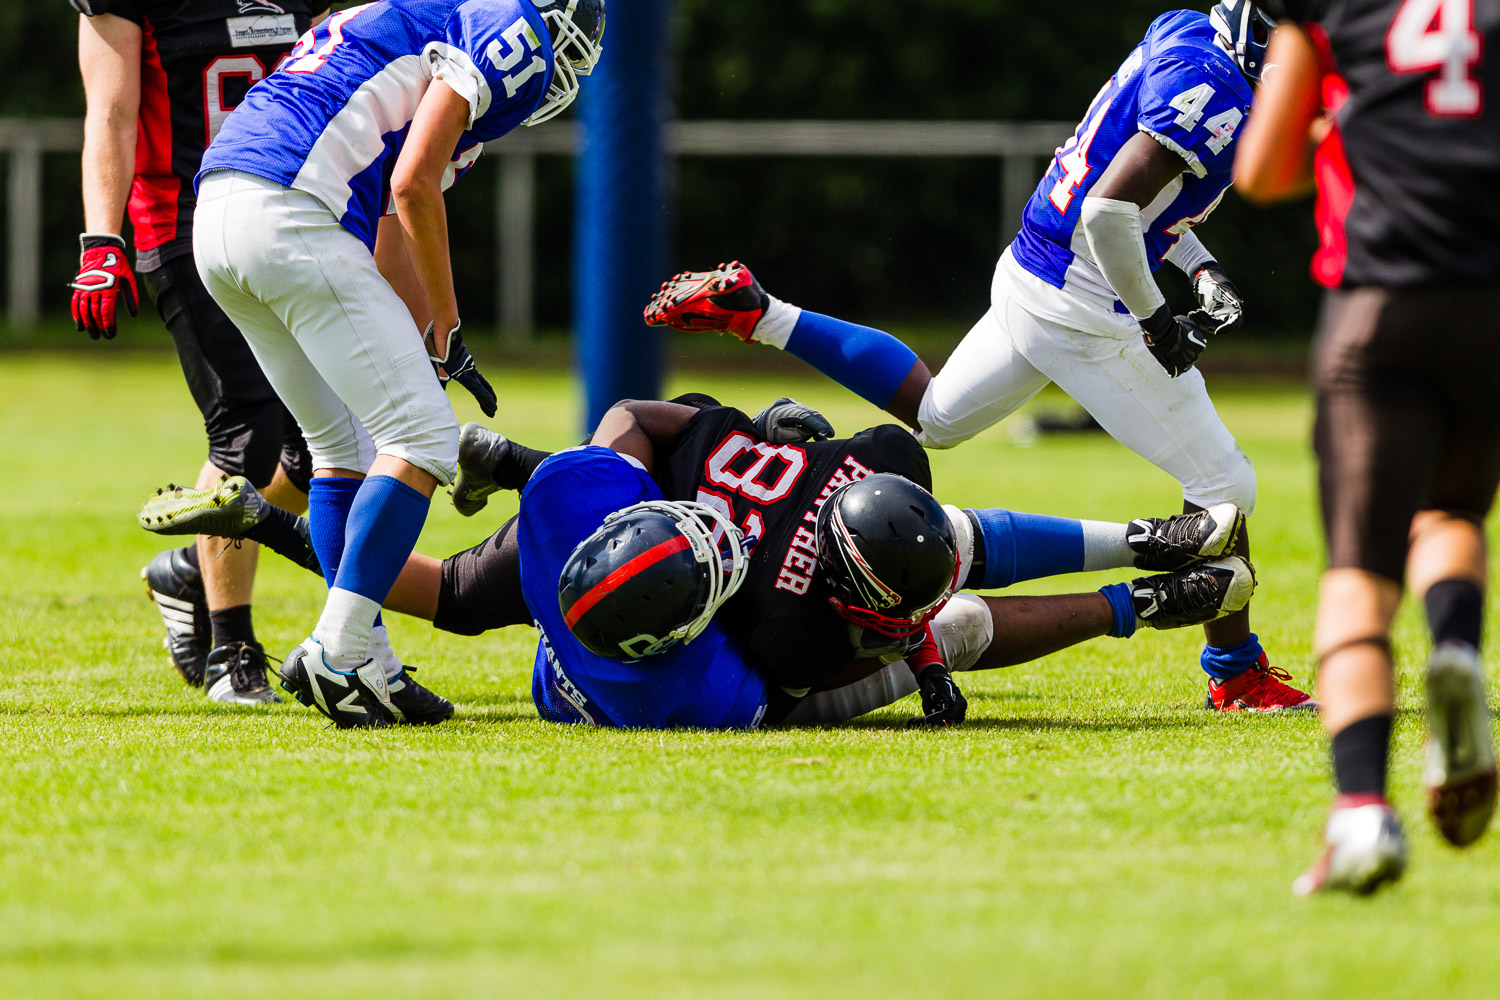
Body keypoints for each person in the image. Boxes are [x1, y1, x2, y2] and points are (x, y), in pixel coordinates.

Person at [644, 2, 1314, 714]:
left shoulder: (1186, 31)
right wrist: (1157, 320)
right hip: (1085, 301)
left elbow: (1136, 197)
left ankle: (766, 315)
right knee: (1223, 484)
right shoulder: (1216, 89)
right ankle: (1236, 673)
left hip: (1033, 268)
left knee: (936, 416)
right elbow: (1111, 213)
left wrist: (1200, 265)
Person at [138, 397, 1257, 729]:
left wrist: (553, 462)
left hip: (596, 538)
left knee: (433, 597)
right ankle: (1135, 584)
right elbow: (792, 677)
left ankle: (1141, 570)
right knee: (945, 611)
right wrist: (914, 660)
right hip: (630, 598)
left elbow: (626, 425)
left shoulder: (572, 509)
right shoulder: (715, 672)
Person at [188, 0, 606, 726]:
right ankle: (338, 649)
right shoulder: (513, 26)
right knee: (423, 439)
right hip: (292, 208)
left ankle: (369, 665)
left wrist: (415, 349)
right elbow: (413, 181)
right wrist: (448, 328)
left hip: (222, 210)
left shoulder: (404, 16)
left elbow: (390, 227)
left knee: (341, 447)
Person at [1236, 0, 1500, 895]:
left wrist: (1346, 130)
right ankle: (1458, 652)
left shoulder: (1333, 8)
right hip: (1491, 304)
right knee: (1453, 510)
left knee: (1358, 575)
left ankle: (1361, 817)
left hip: (1379, 305)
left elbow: (1263, 172)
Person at [69, 0, 328, 704]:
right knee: (246, 428)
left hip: (288, 210)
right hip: (181, 218)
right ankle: (231, 648)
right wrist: (101, 241)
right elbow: (112, 113)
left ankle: (192, 563)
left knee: (316, 447)